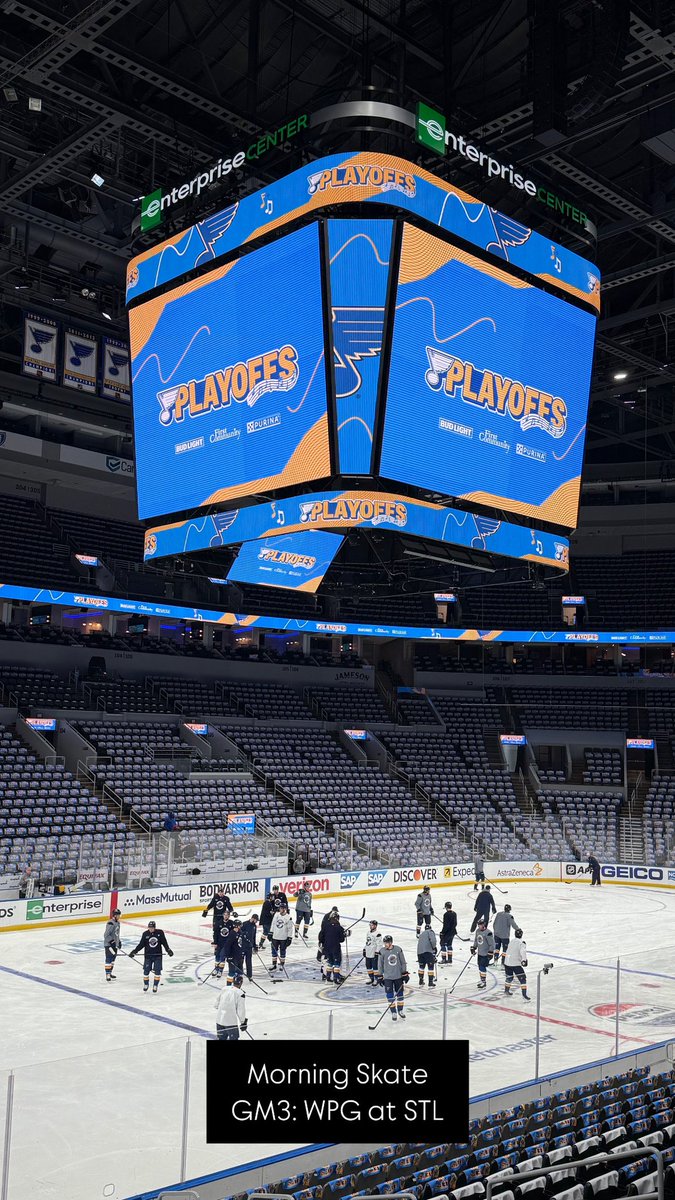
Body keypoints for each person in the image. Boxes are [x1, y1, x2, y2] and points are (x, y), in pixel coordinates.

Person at [129, 920, 173, 992]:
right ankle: (146, 984)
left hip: (158, 956)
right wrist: (134, 951)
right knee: (146, 971)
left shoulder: (160, 933)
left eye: (152, 927)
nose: (150, 929)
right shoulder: (145, 934)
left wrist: (168, 950)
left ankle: (155, 985)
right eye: (149, 927)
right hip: (148, 956)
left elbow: (164, 942)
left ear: (154, 927)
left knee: (157, 971)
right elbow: (141, 944)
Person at [376, 934, 409, 1022]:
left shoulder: (398, 949)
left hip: (398, 976)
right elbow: (380, 964)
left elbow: (403, 962)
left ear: (390, 942)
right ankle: (393, 1012)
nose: (385, 944)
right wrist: (380, 976)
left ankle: (400, 1010)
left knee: (400, 995)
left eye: (386, 943)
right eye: (384, 943)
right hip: (388, 977)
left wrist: (404, 973)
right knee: (390, 995)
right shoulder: (382, 951)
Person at [214, 973, 247, 1040]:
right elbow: (240, 1010)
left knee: (221, 1039)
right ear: (241, 983)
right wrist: (243, 1022)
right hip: (231, 1023)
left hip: (219, 1020)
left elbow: (216, 1005)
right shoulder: (240, 993)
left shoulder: (224, 989)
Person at [322, 911, 348, 984]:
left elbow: (321, 936)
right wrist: (344, 935)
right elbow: (341, 939)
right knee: (337, 963)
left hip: (327, 947)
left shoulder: (326, 926)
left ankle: (328, 978)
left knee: (330, 962)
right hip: (335, 947)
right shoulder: (339, 927)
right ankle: (335, 979)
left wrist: (324, 943)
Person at [215, 918, 244, 984]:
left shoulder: (240, 933)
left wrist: (242, 953)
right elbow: (227, 946)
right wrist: (228, 956)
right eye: (239, 926)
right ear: (237, 926)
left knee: (240, 972)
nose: (240, 927)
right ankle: (228, 986)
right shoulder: (232, 934)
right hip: (232, 957)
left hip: (239, 956)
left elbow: (240, 944)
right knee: (231, 972)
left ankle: (237, 985)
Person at [504, 927, 530, 999]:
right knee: (523, 979)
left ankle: (506, 991)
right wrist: (524, 960)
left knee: (509, 977)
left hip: (507, 962)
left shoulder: (512, 941)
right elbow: (523, 951)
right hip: (515, 963)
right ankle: (524, 995)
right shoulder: (522, 943)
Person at [471, 918, 495, 990]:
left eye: (481, 924)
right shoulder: (477, 931)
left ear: (484, 924)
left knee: (482, 967)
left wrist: (490, 952)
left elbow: (492, 944)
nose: (479, 926)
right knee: (480, 967)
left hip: (485, 954)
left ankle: (484, 982)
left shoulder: (488, 933)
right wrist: (474, 947)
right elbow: (476, 940)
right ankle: (482, 980)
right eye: (479, 925)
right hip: (480, 953)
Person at [270, 902, 294, 972]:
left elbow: (290, 929)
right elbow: (273, 924)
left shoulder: (288, 917)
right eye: (280, 908)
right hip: (275, 936)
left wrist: (289, 938)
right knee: (274, 951)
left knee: (282, 951)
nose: (281, 909)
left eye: (282, 908)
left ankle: (282, 964)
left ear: (285, 909)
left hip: (283, 938)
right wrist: (270, 933)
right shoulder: (276, 915)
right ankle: (274, 964)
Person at [103, 907, 121, 981]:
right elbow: (106, 935)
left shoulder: (118, 923)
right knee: (109, 959)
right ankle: (107, 975)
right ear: (114, 915)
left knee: (113, 959)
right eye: (118, 915)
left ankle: (110, 972)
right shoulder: (110, 923)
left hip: (114, 945)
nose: (119, 916)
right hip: (109, 945)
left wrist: (118, 941)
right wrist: (111, 941)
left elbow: (116, 934)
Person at [417, 924, 437, 988]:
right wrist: (434, 947)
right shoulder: (430, 932)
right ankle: (430, 982)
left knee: (421, 967)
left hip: (419, 952)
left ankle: (421, 980)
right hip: (428, 952)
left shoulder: (421, 934)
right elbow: (433, 940)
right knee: (430, 967)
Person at [363, 920, 383, 985]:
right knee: (368, 966)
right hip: (368, 952)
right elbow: (367, 942)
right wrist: (364, 949)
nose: (370, 926)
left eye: (372, 925)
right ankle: (371, 978)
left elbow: (379, 944)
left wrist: (377, 952)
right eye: (370, 925)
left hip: (374, 953)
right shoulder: (368, 932)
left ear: (375, 926)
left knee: (375, 967)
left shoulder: (378, 934)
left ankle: (376, 979)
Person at [240, 913, 258, 980]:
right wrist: (244, 934)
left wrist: (254, 946)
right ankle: (240, 973)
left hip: (249, 946)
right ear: (253, 918)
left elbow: (254, 936)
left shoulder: (254, 926)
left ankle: (249, 975)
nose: (256, 922)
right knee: (241, 960)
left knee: (249, 961)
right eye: (256, 920)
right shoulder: (244, 924)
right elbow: (239, 932)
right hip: (243, 946)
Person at [440, 901, 457, 965]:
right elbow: (455, 923)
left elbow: (446, 925)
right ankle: (450, 959)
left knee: (442, 944)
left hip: (447, 932)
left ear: (446, 907)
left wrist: (442, 932)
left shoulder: (446, 914)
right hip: (453, 932)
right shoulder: (454, 913)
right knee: (449, 944)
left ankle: (444, 959)